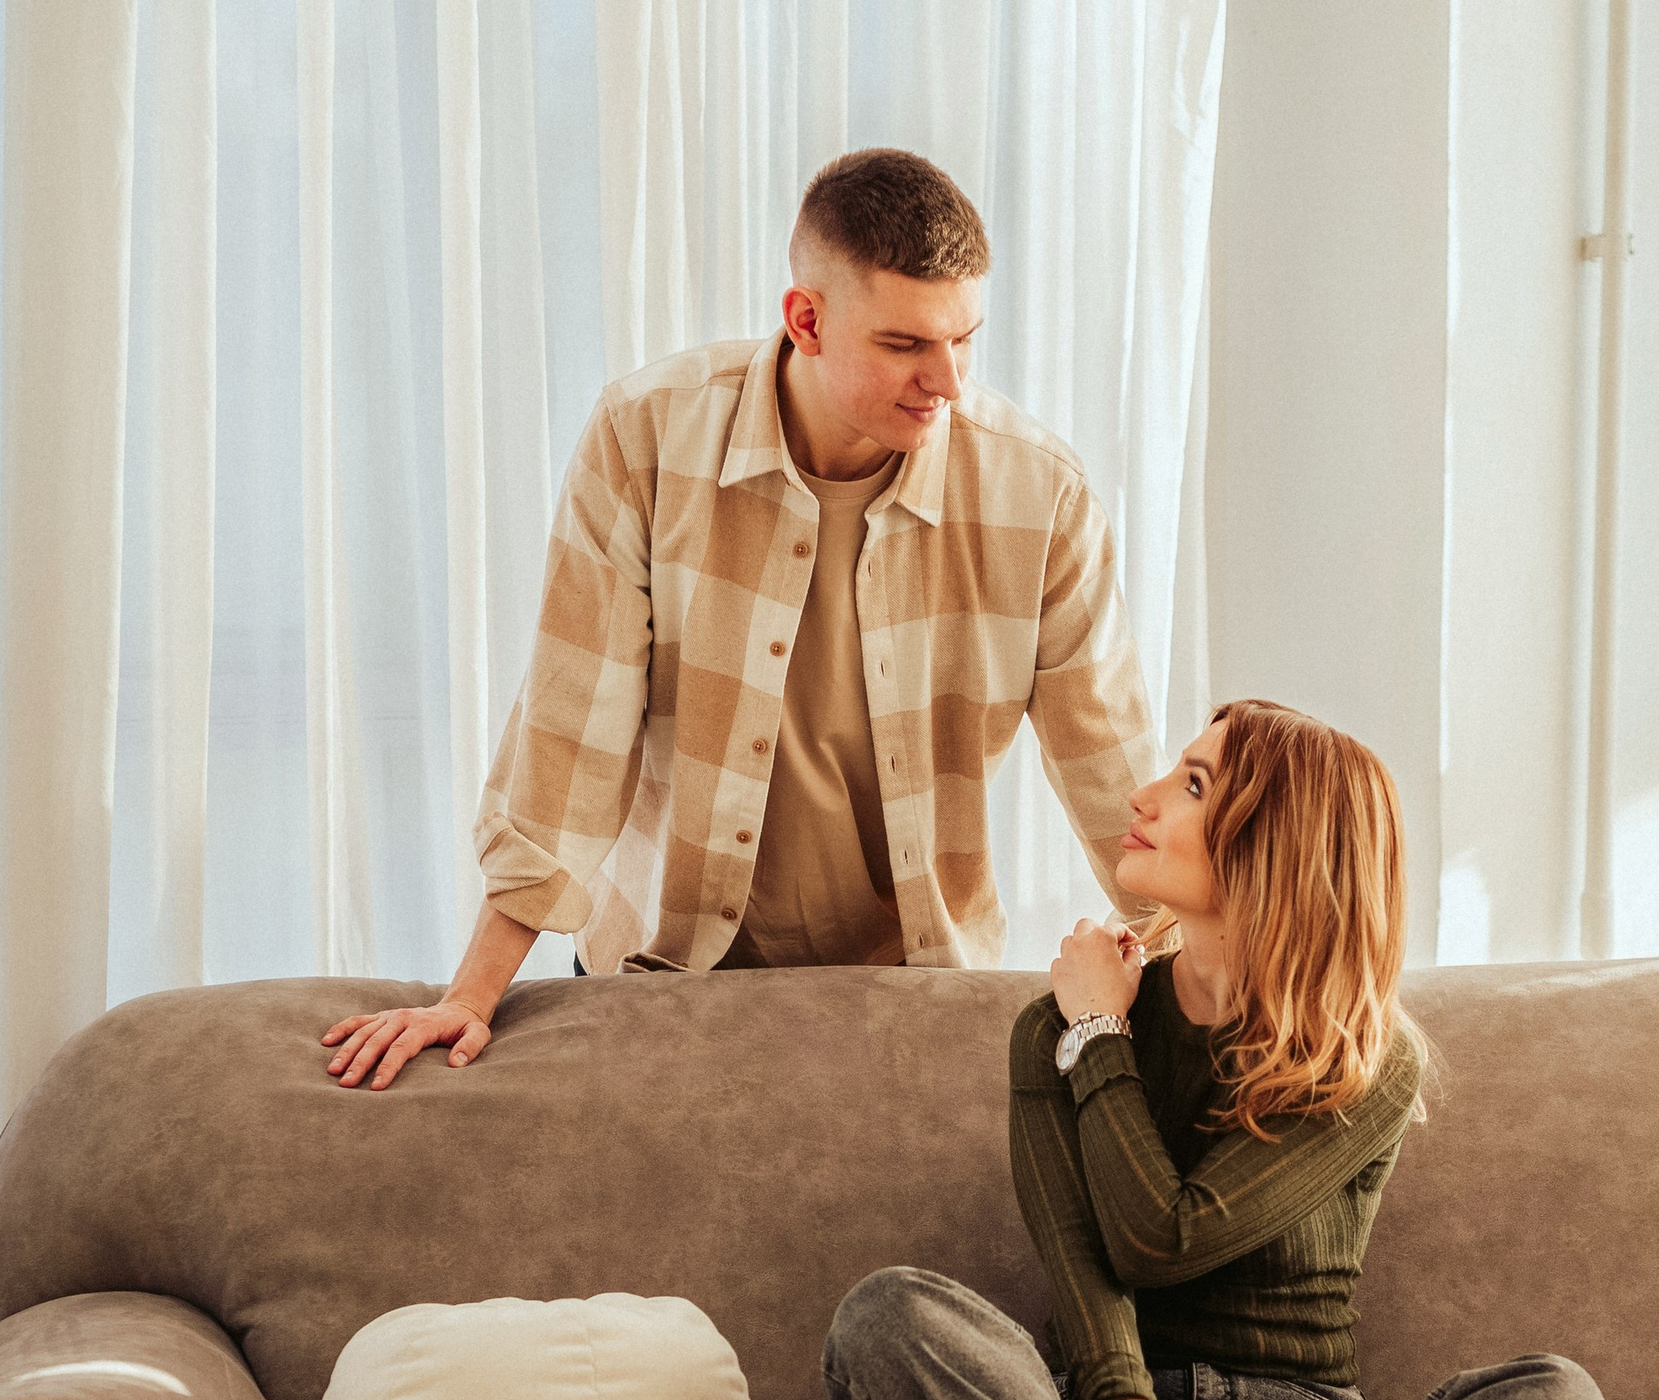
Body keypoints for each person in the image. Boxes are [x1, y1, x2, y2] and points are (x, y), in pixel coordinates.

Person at [822, 700, 1619, 1400]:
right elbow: (1087, 1273)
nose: (1143, 795)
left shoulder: (1364, 1058)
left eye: (1193, 785)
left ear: (1273, 845)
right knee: (886, 1319)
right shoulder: (1054, 1025)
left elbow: (1164, 1238)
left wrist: (1102, 1038)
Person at [324, 148, 1160, 1090]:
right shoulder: (644, 439)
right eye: (905, 345)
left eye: (965, 339)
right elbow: (573, 732)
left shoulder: (1041, 496)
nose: (950, 382)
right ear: (806, 320)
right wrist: (470, 997)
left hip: (912, 990)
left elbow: (1115, 772)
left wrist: (1225, 999)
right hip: (663, 974)